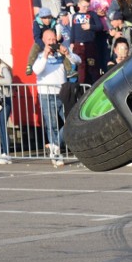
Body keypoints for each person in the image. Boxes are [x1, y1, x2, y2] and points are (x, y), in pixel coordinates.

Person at [28, 29, 81, 167]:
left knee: (69, 121)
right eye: (49, 40)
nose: (52, 42)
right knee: (51, 125)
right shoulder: (40, 55)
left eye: (53, 39)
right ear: (44, 41)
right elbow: (36, 70)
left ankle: (55, 145)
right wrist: (45, 54)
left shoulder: (61, 54)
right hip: (46, 94)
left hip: (62, 92)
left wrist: (67, 53)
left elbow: (78, 60)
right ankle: (56, 154)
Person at [71, 0, 102, 84]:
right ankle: (82, 88)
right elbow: (73, 29)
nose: (86, 8)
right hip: (78, 45)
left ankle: (94, 86)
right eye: (84, 6)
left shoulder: (92, 14)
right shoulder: (75, 16)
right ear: (79, 4)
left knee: (92, 67)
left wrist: (90, 26)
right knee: (81, 68)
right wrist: (71, 42)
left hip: (90, 44)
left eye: (88, 6)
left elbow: (99, 27)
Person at [0, 49, 13, 164]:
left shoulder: (3, 67)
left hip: (5, 100)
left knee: (1, 125)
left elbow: (8, 80)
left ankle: (6, 153)